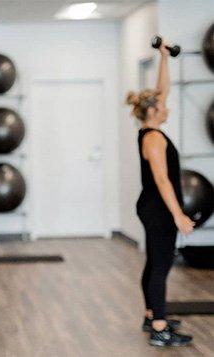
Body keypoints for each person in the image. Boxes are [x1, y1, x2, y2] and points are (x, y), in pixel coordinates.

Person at [126, 38, 194, 347]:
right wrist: (178, 214)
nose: (166, 106)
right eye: (162, 104)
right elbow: (162, 180)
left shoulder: (151, 126)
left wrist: (164, 58)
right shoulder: (153, 139)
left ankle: (152, 313)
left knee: (155, 262)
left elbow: (161, 90)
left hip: (153, 206)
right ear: (153, 111)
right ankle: (160, 327)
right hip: (158, 208)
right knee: (162, 265)